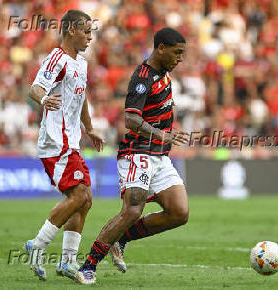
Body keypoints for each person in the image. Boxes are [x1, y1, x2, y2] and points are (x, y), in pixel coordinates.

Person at [77, 27, 190, 285]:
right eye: (177, 52)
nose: (180, 58)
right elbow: (130, 119)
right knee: (132, 211)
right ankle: (88, 265)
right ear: (161, 48)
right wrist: (160, 135)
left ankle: (123, 238)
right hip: (138, 152)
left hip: (160, 157)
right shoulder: (143, 77)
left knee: (179, 212)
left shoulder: (164, 75)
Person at [23, 10, 104, 282]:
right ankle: (38, 245)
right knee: (79, 196)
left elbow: (81, 99)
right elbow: (35, 87)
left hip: (72, 141)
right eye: (86, 31)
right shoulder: (57, 59)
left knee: (86, 200)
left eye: (92, 32)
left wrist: (90, 128)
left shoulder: (80, 63)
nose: (90, 37)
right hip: (55, 142)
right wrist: (44, 99)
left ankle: (67, 262)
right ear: (71, 30)